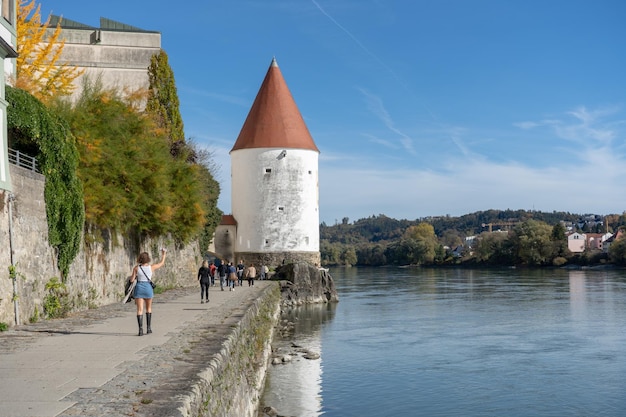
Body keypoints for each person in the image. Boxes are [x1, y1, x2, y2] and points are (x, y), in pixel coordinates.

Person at [130, 248, 166, 336]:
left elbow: (131, 280)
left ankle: (140, 330)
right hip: (148, 288)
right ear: (148, 259)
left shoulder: (136, 268)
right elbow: (161, 263)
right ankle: (149, 328)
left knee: (139, 310)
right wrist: (163, 254)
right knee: (149, 308)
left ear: (140, 259)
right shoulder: (151, 267)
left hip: (139, 288)